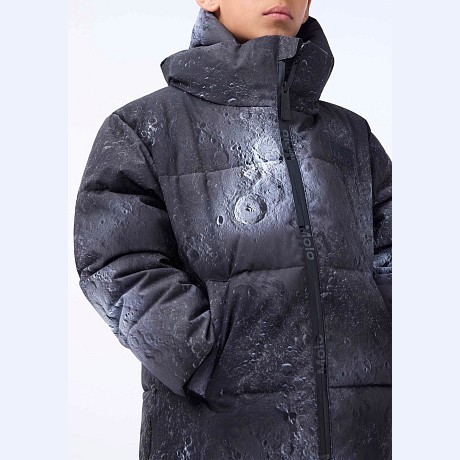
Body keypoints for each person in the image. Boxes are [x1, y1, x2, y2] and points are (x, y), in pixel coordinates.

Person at [73, 0, 392, 458]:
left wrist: (377, 348)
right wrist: (202, 357)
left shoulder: (351, 135)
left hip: (359, 432)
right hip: (214, 430)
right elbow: (114, 259)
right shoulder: (144, 127)